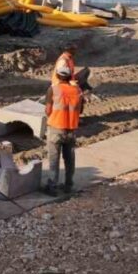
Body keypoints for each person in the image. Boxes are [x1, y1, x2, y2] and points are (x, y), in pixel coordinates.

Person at [43, 66, 84, 195]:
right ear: (70, 76)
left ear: (57, 75)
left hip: (56, 129)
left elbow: (48, 111)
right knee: (69, 159)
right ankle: (68, 186)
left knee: (54, 159)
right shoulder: (78, 90)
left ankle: (52, 187)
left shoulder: (53, 89)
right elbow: (81, 110)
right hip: (71, 130)